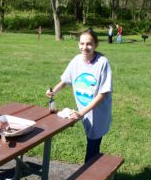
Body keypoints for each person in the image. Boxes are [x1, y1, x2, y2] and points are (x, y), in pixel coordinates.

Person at [46, 29, 112, 163]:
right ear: (78, 44)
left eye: (89, 44)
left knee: (93, 145)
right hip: (83, 111)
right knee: (91, 143)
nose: (85, 47)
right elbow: (65, 80)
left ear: (95, 45)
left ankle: (89, 176)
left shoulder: (102, 63)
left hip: (97, 113)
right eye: (82, 43)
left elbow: (103, 94)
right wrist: (54, 91)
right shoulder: (76, 61)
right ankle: (91, 171)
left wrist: (81, 113)